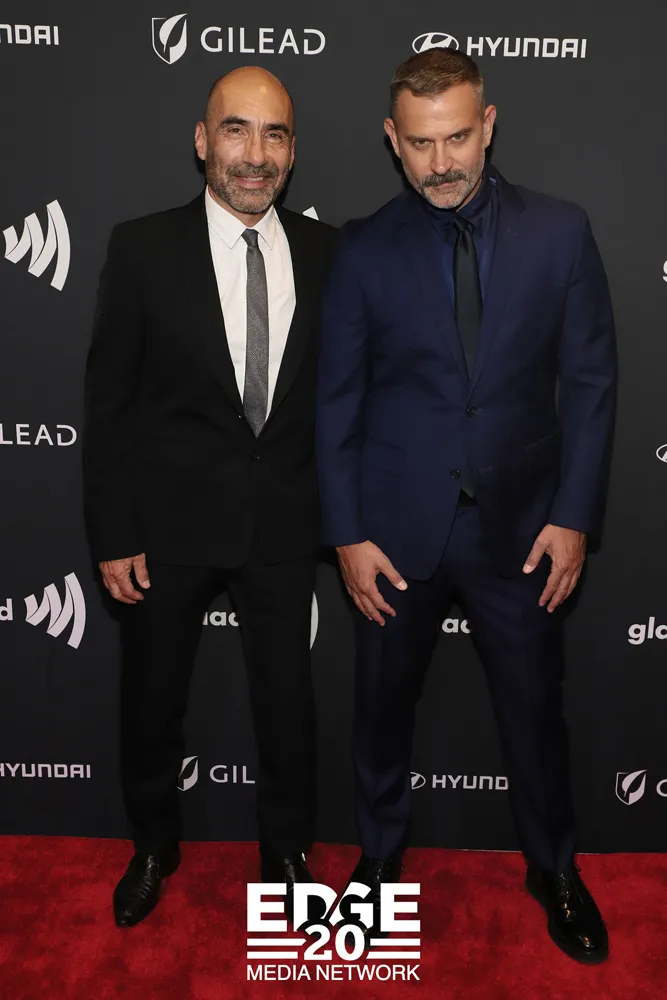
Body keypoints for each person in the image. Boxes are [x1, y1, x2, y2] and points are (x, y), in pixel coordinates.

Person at [316, 48, 616, 963]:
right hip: (393, 533)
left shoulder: (560, 233)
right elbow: (336, 402)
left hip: (521, 530)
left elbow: (590, 385)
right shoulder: (362, 248)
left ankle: (552, 868)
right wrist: (346, 534)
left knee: (534, 712)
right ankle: (378, 860)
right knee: (379, 711)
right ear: (391, 140)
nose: (440, 162)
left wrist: (572, 516)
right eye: (419, 144)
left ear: (487, 125)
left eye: (455, 138)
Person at [83, 67, 337, 927]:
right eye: (236, 130)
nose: (255, 154)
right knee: (153, 699)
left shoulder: (329, 254)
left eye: (274, 135)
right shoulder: (141, 248)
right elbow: (109, 404)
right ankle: (154, 843)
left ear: (292, 152)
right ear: (202, 141)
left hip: (285, 523)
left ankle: (287, 850)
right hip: (167, 527)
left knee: (287, 705)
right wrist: (113, 531)